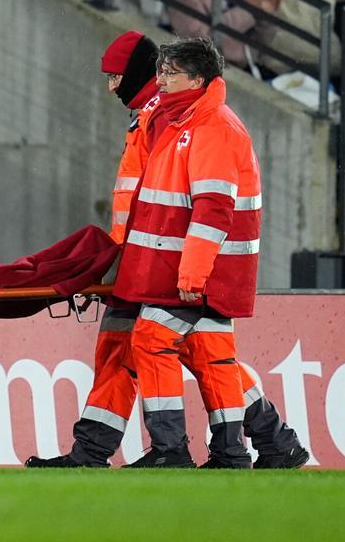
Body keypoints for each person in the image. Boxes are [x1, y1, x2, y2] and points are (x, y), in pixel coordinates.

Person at [24, 32, 307, 469]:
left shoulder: (182, 122)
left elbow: (201, 207)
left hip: (173, 265)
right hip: (146, 261)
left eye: (117, 76)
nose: (111, 87)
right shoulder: (160, 118)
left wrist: (177, 269)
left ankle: (197, 449)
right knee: (159, 351)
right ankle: (97, 452)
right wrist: (121, 261)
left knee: (174, 350)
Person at [112, 37, 268, 467]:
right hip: (189, 266)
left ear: (198, 80)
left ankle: (171, 450)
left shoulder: (211, 127)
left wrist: (192, 276)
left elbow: (214, 210)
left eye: (170, 73)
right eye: (161, 71)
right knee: (214, 355)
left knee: (150, 338)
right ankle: (236, 451)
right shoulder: (181, 121)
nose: (160, 80)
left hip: (202, 271)